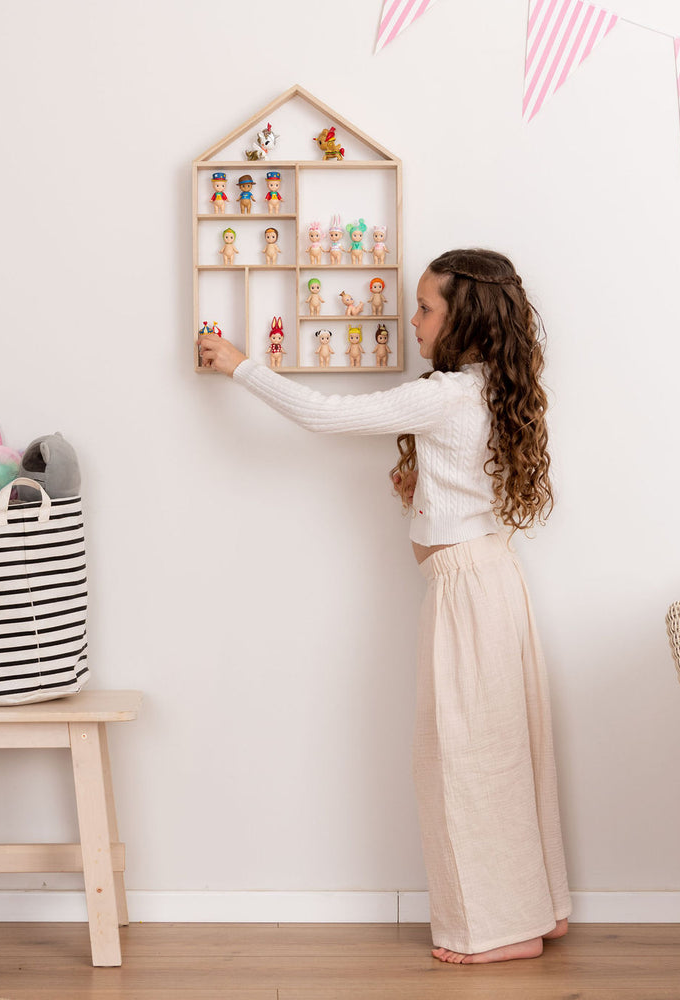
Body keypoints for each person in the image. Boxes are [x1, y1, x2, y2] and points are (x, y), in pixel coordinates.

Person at [198, 247, 570, 965]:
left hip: (467, 594)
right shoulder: (490, 388)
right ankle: (538, 907)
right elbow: (469, 484)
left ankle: (501, 929)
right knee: (502, 751)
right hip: (492, 580)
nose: (415, 317)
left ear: (463, 318)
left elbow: (323, 415)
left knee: (461, 761)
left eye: (427, 306)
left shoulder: (445, 396)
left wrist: (238, 363)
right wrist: (423, 495)